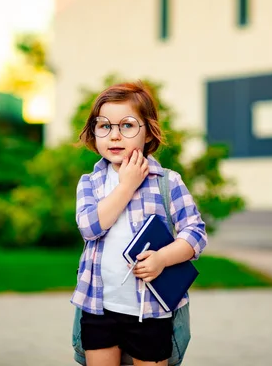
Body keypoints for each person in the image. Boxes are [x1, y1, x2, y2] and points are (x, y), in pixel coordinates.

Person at [72, 81, 207, 366]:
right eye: (104, 126)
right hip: (98, 307)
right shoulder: (91, 183)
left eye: (128, 125)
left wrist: (162, 258)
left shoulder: (167, 182)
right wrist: (126, 186)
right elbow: (90, 227)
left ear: (148, 133)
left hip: (150, 309)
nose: (115, 135)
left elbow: (195, 233)